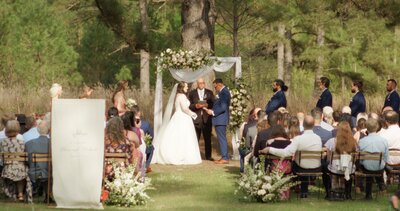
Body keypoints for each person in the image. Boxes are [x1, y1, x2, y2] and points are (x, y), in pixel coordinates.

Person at [259, 115, 322, 198]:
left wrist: (270, 149)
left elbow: (286, 153)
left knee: (296, 164)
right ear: (313, 125)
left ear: (302, 125)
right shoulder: (318, 138)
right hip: (317, 167)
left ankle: (301, 191)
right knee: (302, 163)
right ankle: (304, 191)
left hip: (301, 168)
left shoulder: (299, 139)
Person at [152, 82, 201, 165]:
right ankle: (181, 155)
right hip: (182, 117)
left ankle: (181, 154)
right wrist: (193, 114)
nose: (187, 87)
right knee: (182, 136)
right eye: (186, 86)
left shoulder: (178, 95)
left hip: (179, 116)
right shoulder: (182, 96)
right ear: (182, 87)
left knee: (177, 135)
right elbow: (184, 109)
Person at [0, 120, 32, 202]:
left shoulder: (2, 142)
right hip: (21, 169)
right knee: (21, 171)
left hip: (7, 170)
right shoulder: (22, 143)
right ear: (18, 130)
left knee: (15, 171)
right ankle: (20, 194)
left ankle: (11, 193)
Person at [324, 122, 357, 200]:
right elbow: (355, 158)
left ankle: (328, 192)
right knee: (350, 167)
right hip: (349, 169)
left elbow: (329, 158)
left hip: (334, 169)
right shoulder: (354, 142)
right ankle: (348, 193)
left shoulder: (332, 141)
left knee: (324, 168)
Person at [358, 118, 388, 200]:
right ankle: (381, 185)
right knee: (375, 165)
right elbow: (386, 157)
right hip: (379, 168)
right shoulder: (384, 141)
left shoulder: (362, 141)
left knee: (365, 165)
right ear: (377, 127)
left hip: (366, 168)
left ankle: (368, 194)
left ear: (366, 127)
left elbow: (359, 157)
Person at [205, 79, 231, 164]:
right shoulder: (222, 92)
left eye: (215, 86)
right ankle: (224, 157)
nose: (215, 88)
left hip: (221, 119)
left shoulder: (224, 92)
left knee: (222, 138)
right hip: (220, 119)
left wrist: (213, 112)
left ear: (219, 84)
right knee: (221, 138)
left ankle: (225, 158)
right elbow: (219, 105)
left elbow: (223, 107)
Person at [188, 78, 215, 161]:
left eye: (202, 83)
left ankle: (208, 156)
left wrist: (207, 105)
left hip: (207, 118)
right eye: (199, 83)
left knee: (208, 139)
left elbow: (213, 103)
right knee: (195, 138)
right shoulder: (192, 93)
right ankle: (194, 156)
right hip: (197, 118)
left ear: (204, 83)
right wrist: (195, 106)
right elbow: (189, 105)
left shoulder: (209, 92)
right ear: (197, 84)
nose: (201, 84)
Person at [25, 120, 50, 199]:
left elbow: (28, 160)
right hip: (49, 172)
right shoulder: (53, 143)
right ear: (48, 130)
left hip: (34, 171)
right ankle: (48, 195)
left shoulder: (29, 143)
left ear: (38, 130)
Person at [132, 105, 155, 172]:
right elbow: (151, 135)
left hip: (131, 145)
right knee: (151, 147)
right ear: (139, 113)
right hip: (140, 145)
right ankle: (146, 165)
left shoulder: (126, 122)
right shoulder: (145, 124)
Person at [238, 108, 261, 172]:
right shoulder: (245, 125)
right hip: (247, 147)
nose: (256, 116)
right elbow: (240, 138)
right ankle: (243, 170)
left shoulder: (261, 126)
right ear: (252, 115)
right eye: (256, 114)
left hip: (256, 148)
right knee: (243, 149)